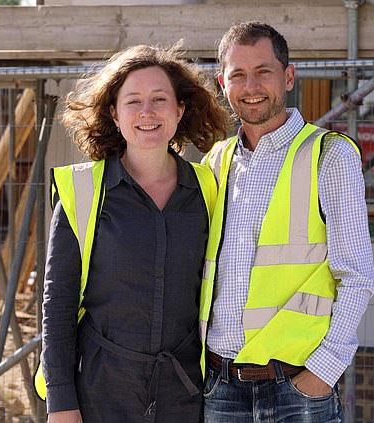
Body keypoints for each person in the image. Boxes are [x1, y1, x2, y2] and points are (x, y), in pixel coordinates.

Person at [38, 44, 231, 423]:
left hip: (185, 396)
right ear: (114, 112)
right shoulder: (84, 192)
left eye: (160, 99)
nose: (147, 112)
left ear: (179, 109)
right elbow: (57, 306)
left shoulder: (209, 190)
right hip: (99, 393)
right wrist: (61, 404)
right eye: (134, 101)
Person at [199, 21, 374, 422]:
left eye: (264, 71)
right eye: (238, 75)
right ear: (222, 84)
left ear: (289, 76)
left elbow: (358, 276)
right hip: (220, 387)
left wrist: (322, 372)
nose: (251, 86)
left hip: (296, 390)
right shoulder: (215, 162)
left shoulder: (328, 156)